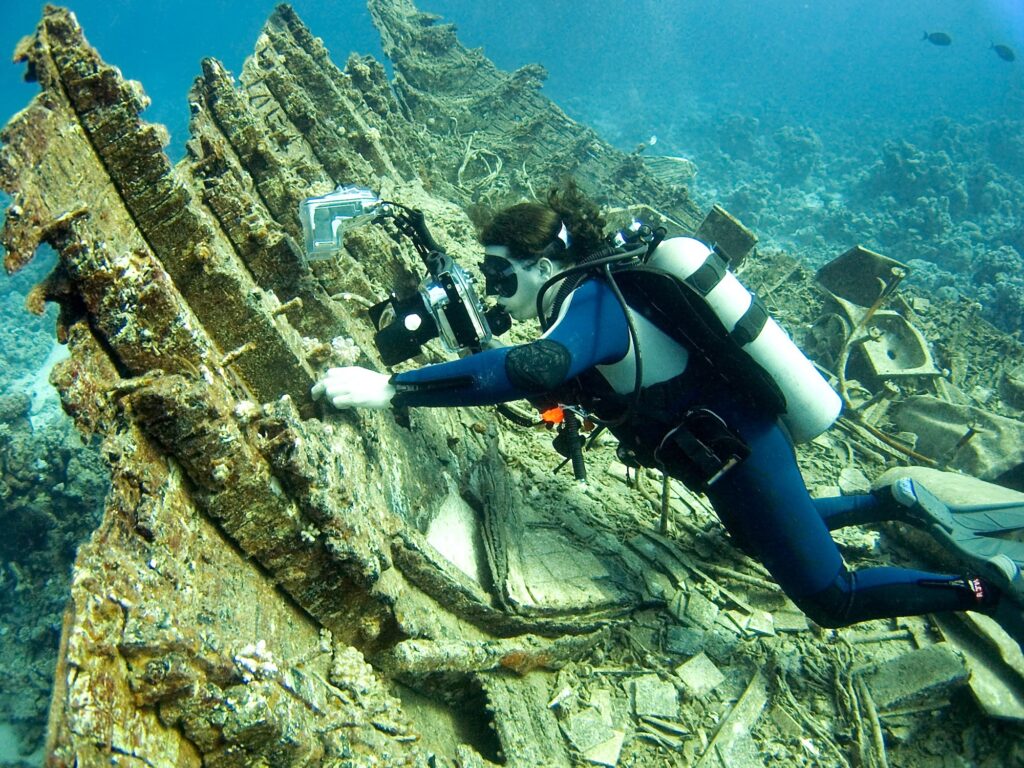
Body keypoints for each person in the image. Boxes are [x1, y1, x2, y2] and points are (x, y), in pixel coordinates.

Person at [312, 182, 1024, 642]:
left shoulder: (587, 301)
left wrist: (393, 388)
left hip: (743, 452)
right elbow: (555, 388)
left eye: (501, 274)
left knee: (831, 597)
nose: (497, 294)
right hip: (726, 457)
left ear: (540, 263)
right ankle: (891, 500)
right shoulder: (586, 301)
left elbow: (529, 368)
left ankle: (985, 585)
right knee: (758, 534)